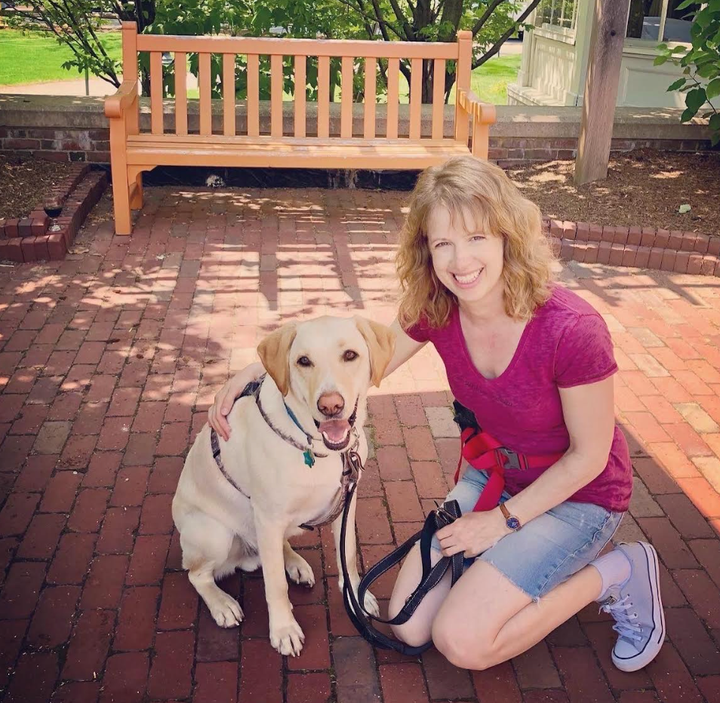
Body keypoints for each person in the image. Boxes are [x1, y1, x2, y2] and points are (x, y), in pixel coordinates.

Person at [208, 155, 664, 673]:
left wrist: (501, 522)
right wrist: (256, 371)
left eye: (475, 238)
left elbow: (589, 458)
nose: (460, 261)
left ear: (507, 237)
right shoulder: (437, 307)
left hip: (578, 498)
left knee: (463, 643)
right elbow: (357, 357)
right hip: (491, 476)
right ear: (425, 249)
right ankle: (499, 570)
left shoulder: (572, 330)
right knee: (408, 622)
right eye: (442, 242)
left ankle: (620, 570)